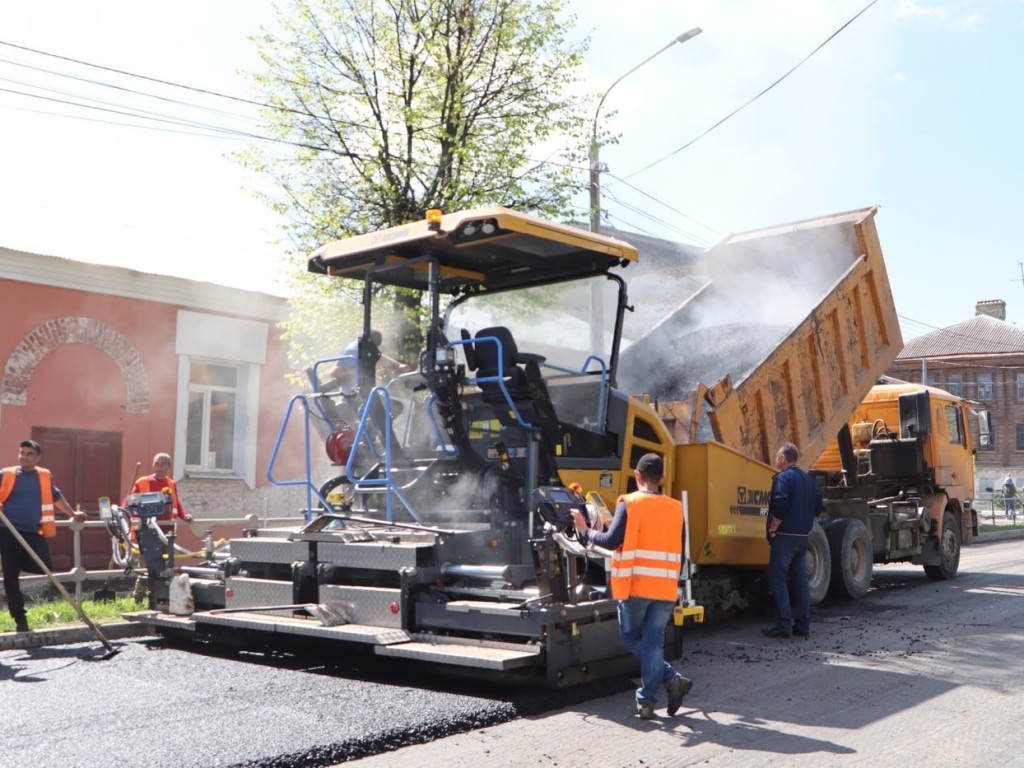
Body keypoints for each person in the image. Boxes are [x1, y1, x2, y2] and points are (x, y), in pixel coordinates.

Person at [571, 453, 692, 720]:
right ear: (661, 479)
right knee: (653, 642)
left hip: (636, 586)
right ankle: (649, 699)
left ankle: (669, 680)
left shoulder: (630, 503)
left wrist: (584, 529)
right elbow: (680, 551)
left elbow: (612, 540)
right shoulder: (675, 508)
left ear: (637, 476)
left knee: (632, 638)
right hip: (665, 589)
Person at [0, 439, 86, 632]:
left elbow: (56, 497)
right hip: (8, 532)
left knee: (45, 565)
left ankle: (18, 560)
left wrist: (73, 515)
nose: (24, 457)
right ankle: (20, 620)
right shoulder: (6, 474)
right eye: (22, 453)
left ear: (38, 457)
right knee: (10, 578)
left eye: (29, 454)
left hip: (32, 532)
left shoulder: (44, 476)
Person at [762, 442, 824, 640]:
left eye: (777, 456)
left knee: (777, 578)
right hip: (803, 537)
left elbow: (780, 505)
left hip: (785, 537)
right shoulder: (809, 480)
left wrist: (773, 528)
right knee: (800, 580)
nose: (776, 460)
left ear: (783, 459)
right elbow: (818, 507)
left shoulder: (783, 478)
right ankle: (803, 625)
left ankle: (783, 625)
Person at [128, 452, 192, 522]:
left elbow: (176, 504)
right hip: (146, 528)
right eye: (156, 464)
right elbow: (130, 502)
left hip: (168, 528)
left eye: (162, 465)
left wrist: (184, 516)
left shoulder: (171, 484)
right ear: (153, 465)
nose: (159, 468)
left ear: (168, 466)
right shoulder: (141, 482)